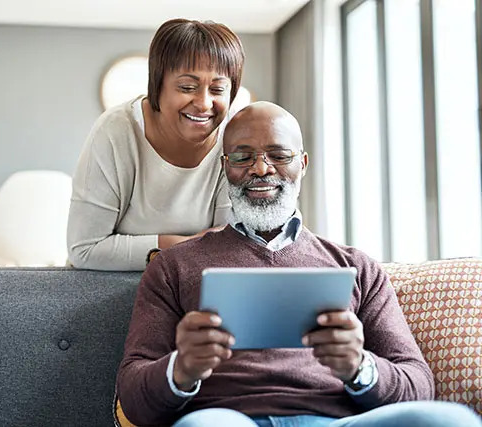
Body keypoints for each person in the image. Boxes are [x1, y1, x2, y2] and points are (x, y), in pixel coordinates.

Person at [116, 102, 481, 426]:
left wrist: (360, 367)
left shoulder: (356, 267)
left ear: (302, 164)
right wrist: (181, 369)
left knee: (449, 419)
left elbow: (418, 382)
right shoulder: (173, 266)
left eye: (279, 154)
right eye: (242, 157)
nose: (261, 169)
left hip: (337, 420)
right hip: (226, 418)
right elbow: (132, 395)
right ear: (225, 168)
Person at [67, 18, 245, 271]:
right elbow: (84, 249)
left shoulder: (235, 136)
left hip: (194, 289)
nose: (204, 103)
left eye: (218, 90)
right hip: (104, 288)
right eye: (187, 87)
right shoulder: (116, 131)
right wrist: (187, 246)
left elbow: (226, 248)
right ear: (157, 85)